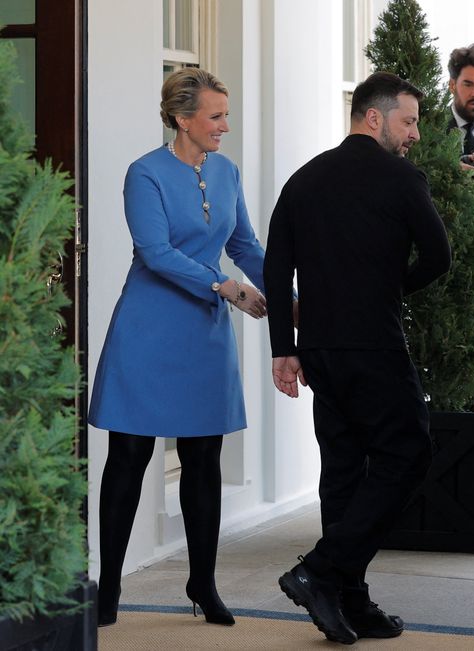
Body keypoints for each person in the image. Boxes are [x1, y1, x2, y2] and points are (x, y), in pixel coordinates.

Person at [264, 71, 451, 645]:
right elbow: (439, 257)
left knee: (343, 471)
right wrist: (388, 291)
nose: (415, 133)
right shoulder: (401, 179)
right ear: (375, 117)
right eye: (409, 121)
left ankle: (348, 600)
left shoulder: (304, 178)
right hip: (374, 344)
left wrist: (283, 348)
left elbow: (276, 267)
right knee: (409, 454)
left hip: (319, 349)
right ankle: (321, 571)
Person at [88, 68, 270, 628]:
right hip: (148, 330)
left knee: (203, 460)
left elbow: (245, 244)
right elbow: (156, 252)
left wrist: (291, 296)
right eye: (215, 116)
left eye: (226, 114)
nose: (225, 126)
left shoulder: (226, 172)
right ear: (181, 118)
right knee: (129, 458)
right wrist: (226, 286)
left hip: (204, 334)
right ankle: (109, 588)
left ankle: (203, 583)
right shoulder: (144, 173)